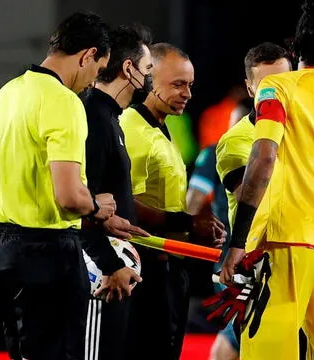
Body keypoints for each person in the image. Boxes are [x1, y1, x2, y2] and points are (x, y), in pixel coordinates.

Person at [219, 0, 314, 357]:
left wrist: (238, 240)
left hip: (286, 241)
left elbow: (264, 157)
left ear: (295, 48)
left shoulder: (278, 89)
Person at [0, 12, 115, 360]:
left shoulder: (8, 92)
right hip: (46, 256)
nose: (92, 83)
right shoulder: (63, 101)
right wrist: (98, 207)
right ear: (87, 56)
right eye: (98, 71)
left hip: (1, 253)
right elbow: (69, 196)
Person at [119, 42, 226, 360]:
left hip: (171, 268)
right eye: (178, 84)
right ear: (150, 79)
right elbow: (125, 203)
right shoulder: (133, 129)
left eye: (190, 85)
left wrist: (197, 223)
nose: (187, 93)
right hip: (145, 271)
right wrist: (188, 223)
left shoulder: (163, 128)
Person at [212, 41, 292, 360]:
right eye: (267, 86)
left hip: (303, 259)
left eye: (284, 84)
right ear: (249, 88)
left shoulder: (308, 132)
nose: (277, 94)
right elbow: (260, 195)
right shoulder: (235, 142)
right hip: (259, 267)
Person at [78, 23, 153, 360]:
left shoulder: (109, 116)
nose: (150, 77)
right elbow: (79, 202)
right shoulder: (94, 115)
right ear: (129, 69)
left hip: (114, 271)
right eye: (149, 69)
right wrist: (108, 265)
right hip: (102, 274)